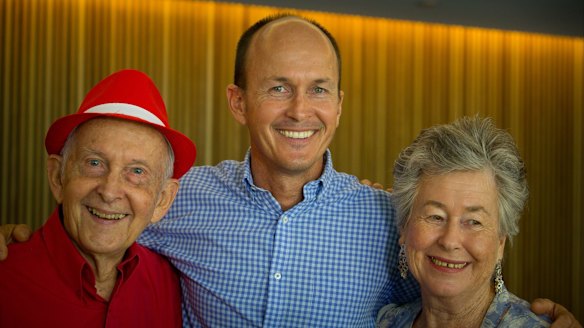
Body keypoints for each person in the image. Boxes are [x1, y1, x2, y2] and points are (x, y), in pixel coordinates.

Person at [0, 14, 580, 328]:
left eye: (318, 90)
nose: (301, 110)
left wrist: (529, 313)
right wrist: (15, 242)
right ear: (238, 102)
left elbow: (455, 280)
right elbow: (103, 212)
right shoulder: (177, 197)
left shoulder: (387, 219)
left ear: (339, 105)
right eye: (278, 87)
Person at [0, 69, 196, 327]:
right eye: (94, 163)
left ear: (162, 200)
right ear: (58, 176)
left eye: (137, 171)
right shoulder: (6, 276)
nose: (109, 190)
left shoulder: (170, 283)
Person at [377, 116, 551, 327]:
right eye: (435, 216)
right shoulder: (385, 322)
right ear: (404, 227)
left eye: (474, 221)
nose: (450, 241)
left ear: (500, 242)